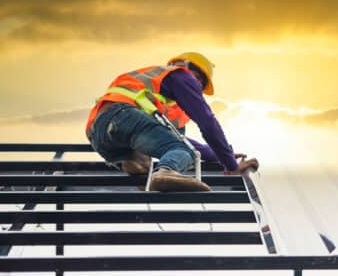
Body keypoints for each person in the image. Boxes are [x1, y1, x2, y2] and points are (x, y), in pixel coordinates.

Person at [85, 52, 258, 191]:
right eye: (200, 82)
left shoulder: (158, 97)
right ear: (188, 69)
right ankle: (165, 172)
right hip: (124, 116)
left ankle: (134, 164)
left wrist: (220, 155)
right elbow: (207, 123)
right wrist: (230, 164)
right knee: (184, 153)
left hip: (100, 135)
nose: (197, 88)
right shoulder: (180, 76)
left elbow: (181, 141)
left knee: (154, 158)